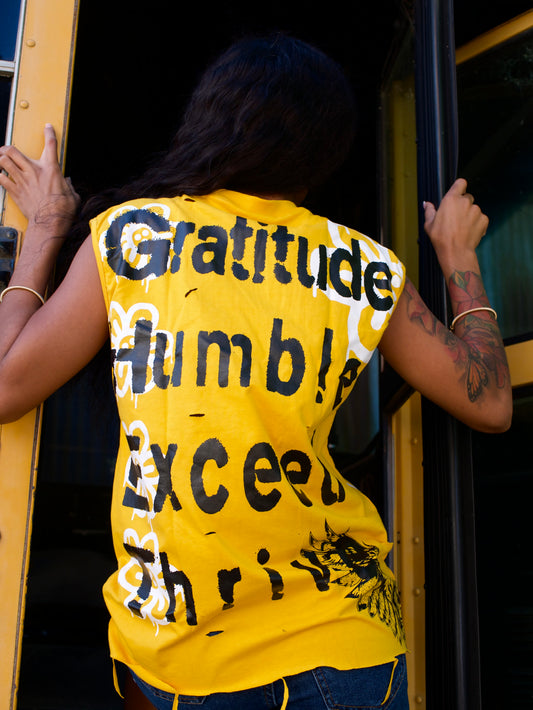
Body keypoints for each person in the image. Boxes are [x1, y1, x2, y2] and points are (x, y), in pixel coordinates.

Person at [0, 34, 511, 710]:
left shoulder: (134, 237)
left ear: (207, 123)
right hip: (344, 648)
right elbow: (491, 403)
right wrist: (457, 260)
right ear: (326, 154)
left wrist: (44, 230)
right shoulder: (361, 267)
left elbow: (7, 386)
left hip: (180, 661)